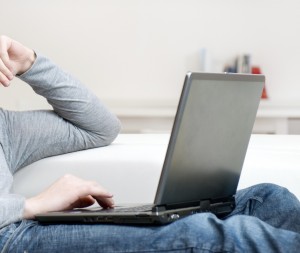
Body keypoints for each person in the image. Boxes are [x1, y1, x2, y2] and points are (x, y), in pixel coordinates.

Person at [0, 35, 299, 253]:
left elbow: (99, 127)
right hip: (11, 238)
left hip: (24, 226)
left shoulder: (5, 127)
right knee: (210, 235)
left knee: (267, 199)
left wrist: (29, 62)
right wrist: (31, 205)